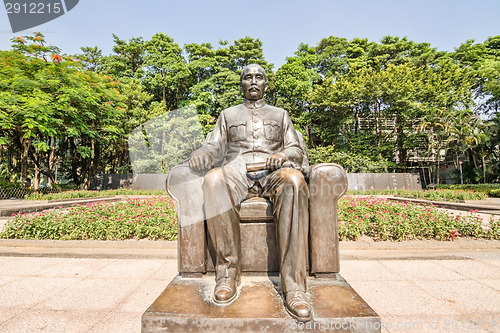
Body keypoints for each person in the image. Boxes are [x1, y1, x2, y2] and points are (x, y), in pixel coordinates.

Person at [188, 64, 311, 321]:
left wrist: (283, 155)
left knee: (294, 181)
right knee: (213, 180)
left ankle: (294, 286)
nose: (253, 81)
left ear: (266, 84)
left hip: (272, 171)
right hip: (238, 170)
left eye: (259, 77)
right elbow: (214, 145)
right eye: (248, 77)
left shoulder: (280, 115)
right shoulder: (227, 115)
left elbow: (296, 150)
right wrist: (202, 153)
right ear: (241, 83)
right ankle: (228, 275)